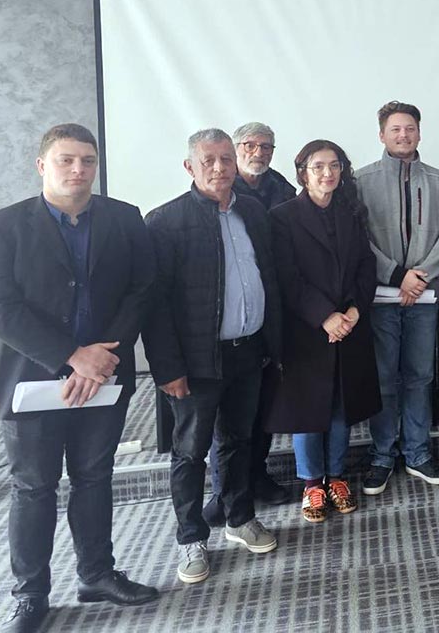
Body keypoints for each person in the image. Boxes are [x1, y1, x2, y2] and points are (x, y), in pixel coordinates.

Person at [0, 123, 159, 632]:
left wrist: (102, 359)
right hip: (32, 381)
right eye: (66, 160)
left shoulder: (124, 218)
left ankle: (96, 574)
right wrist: (72, 357)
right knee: (34, 487)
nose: (79, 170)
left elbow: (142, 289)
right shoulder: (2, 227)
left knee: (94, 478)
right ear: (42, 165)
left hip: (104, 376)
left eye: (88, 161)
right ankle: (30, 595)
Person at [143, 128, 283, 585]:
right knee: (190, 452)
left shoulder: (253, 213)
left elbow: (268, 278)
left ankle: (239, 518)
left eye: (226, 159)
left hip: (248, 351)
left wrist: (271, 343)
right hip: (196, 362)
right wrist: (168, 368)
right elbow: (155, 306)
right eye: (210, 160)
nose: (221, 168)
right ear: (190, 166)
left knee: (239, 441)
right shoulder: (165, 222)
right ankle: (191, 538)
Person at [265, 140, 381, 522]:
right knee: (308, 408)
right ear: (303, 173)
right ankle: (312, 483)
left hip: (348, 325)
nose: (328, 173)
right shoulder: (283, 217)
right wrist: (325, 317)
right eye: (318, 167)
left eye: (334, 166)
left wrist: (353, 310)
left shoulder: (352, 213)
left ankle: (337, 476)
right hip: (307, 329)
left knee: (341, 405)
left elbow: (366, 266)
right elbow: (287, 278)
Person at [356, 101, 439, 495]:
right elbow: (358, 240)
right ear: (382, 134)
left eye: (410, 128)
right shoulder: (359, 182)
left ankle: (417, 453)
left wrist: (420, 277)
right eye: (395, 129)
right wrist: (398, 276)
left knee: (419, 376)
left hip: (424, 298)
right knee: (383, 378)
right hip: (380, 298)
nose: (403, 135)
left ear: (419, 132)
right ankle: (382, 455)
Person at [203, 120, 296, 525]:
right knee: (223, 422)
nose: (259, 153)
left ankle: (257, 475)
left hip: (268, 310)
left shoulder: (283, 190)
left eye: (266, 146)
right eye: (250, 145)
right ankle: (222, 492)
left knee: (262, 406)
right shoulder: (220, 188)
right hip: (224, 319)